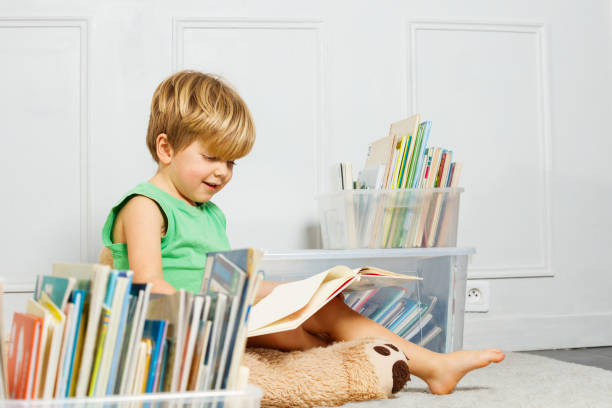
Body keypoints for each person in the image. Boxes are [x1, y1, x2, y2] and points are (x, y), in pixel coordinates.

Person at [100, 70, 505, 395]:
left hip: (225, 316)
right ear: (166, 148)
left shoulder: (209, 213)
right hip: (184, 325)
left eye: (232, 163)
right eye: (211, 157)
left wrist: (301, 291)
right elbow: (149, 287)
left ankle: (432, 366)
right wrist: (221, 307)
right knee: (299, 338)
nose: (222, 172)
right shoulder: (145, 206)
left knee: (325, 311)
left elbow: (236, 282)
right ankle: (358, 363)